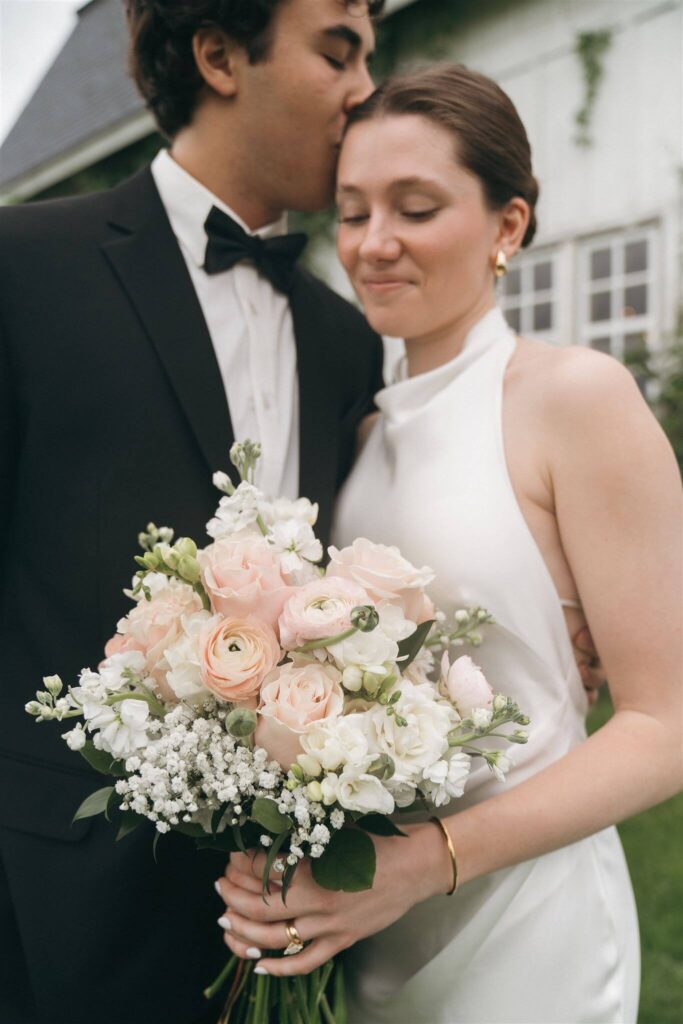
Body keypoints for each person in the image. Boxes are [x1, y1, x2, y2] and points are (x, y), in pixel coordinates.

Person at [216, 65, 683, 1023]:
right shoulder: (361, 436)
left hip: (522, 919)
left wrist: (424, 864)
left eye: (416, 208)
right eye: (351, 212)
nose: (373, 244)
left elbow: (666, 726)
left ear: (508, 226)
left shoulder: (574, 399)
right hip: (378, 929)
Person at [0, 3, 384, 1022]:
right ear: (218, 55)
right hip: (49, 911)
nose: (363, 90)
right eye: (336, 51)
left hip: (276, 911)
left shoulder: (347, 340)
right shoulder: (21, 267)